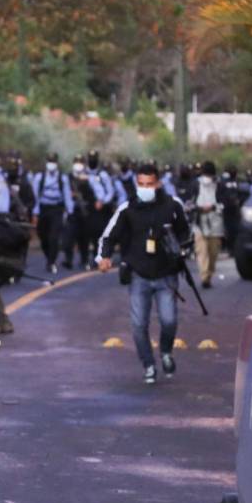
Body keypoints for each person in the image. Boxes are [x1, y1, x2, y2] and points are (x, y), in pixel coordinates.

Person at [96, 162, 192, 385]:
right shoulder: (127, 208)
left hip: (166, 274)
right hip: (138, 274)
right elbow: (108, 236)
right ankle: (148, 364)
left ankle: (166, 352)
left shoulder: (172, 205)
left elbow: (186, 232)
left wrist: (180, 247)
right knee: (139, 324)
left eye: (149, 184)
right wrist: (104, 257)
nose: (145, 188)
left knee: (169, 320)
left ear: (157, 183)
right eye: (141, 184)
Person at [186, 160, 225, 288]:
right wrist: (198, 209)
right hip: (200, 222)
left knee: (213, 252)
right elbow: (189, 202)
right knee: (201, 251)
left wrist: (213, 207)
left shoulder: (220, 185)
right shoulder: (195, 184)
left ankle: (209, 273)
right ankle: (204, 277)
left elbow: (225, 203)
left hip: (216, 223)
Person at [32, 153, 72, 274]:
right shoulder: (39, 177)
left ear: (57, 163)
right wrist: (35, 213)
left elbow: (67, 195)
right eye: (49, 161)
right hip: (43, 209)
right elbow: (35, 197)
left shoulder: (62, 178)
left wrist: (69, 211)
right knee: (43, 236)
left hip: (57, 209)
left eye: (53, 162)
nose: (51, 164)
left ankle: (51, 262)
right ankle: (49, 255)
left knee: (54, 237)